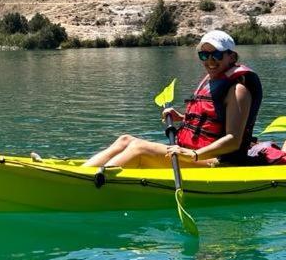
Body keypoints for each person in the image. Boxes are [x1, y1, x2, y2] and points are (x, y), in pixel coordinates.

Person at [84, 30, 263, 170]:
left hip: (218, 163)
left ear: (232, 57)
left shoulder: (238, 90)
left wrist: (194, 154)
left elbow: (233, 140)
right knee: (125, 140)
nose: (209, 61)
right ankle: (85, 173)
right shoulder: (213, 81)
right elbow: (211, 122)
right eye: (204, 55)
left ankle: (95, 182)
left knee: (139, 148)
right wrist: (182, 118)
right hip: (195, 154)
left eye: (216, 55)